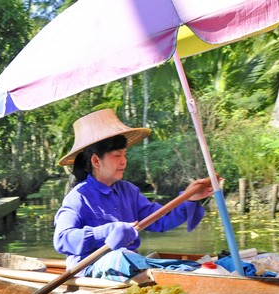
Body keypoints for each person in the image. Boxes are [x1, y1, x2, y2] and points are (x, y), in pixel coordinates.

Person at [53, 109, 219, 281]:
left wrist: (189, 199)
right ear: (96, 161)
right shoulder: (78, 196)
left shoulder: (128, 191)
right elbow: (62, 239)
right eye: (117, 155)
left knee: (129, 257)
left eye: (125, 154)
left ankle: (187, 271)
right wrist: (108, 232)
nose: (124, 161)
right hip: (92, 269)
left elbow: (161, 220)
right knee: (121, 257)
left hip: (130, 266)